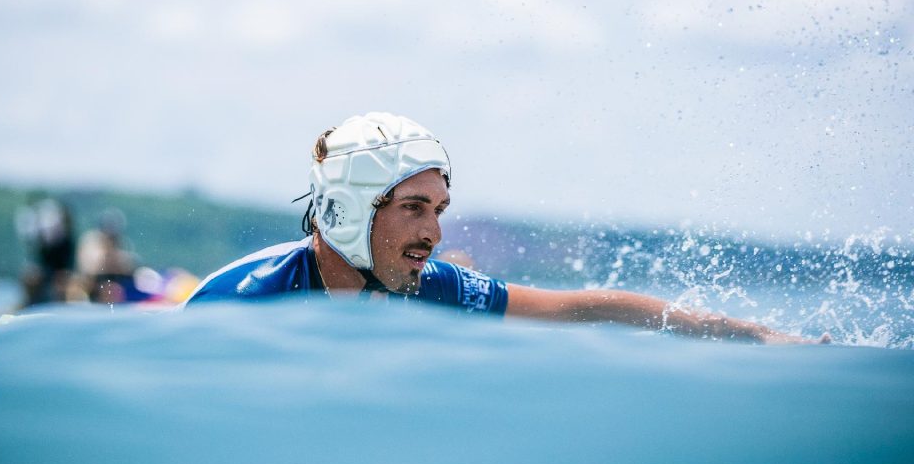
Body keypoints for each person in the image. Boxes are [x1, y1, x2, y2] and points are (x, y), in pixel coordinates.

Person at [185, 112, 829, 345]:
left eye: (438, 211)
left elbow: (584, 309)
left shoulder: (428, 286)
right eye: (413, 208)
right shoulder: (239, 307)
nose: (432, 232)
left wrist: (754, 334)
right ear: (348, 213)